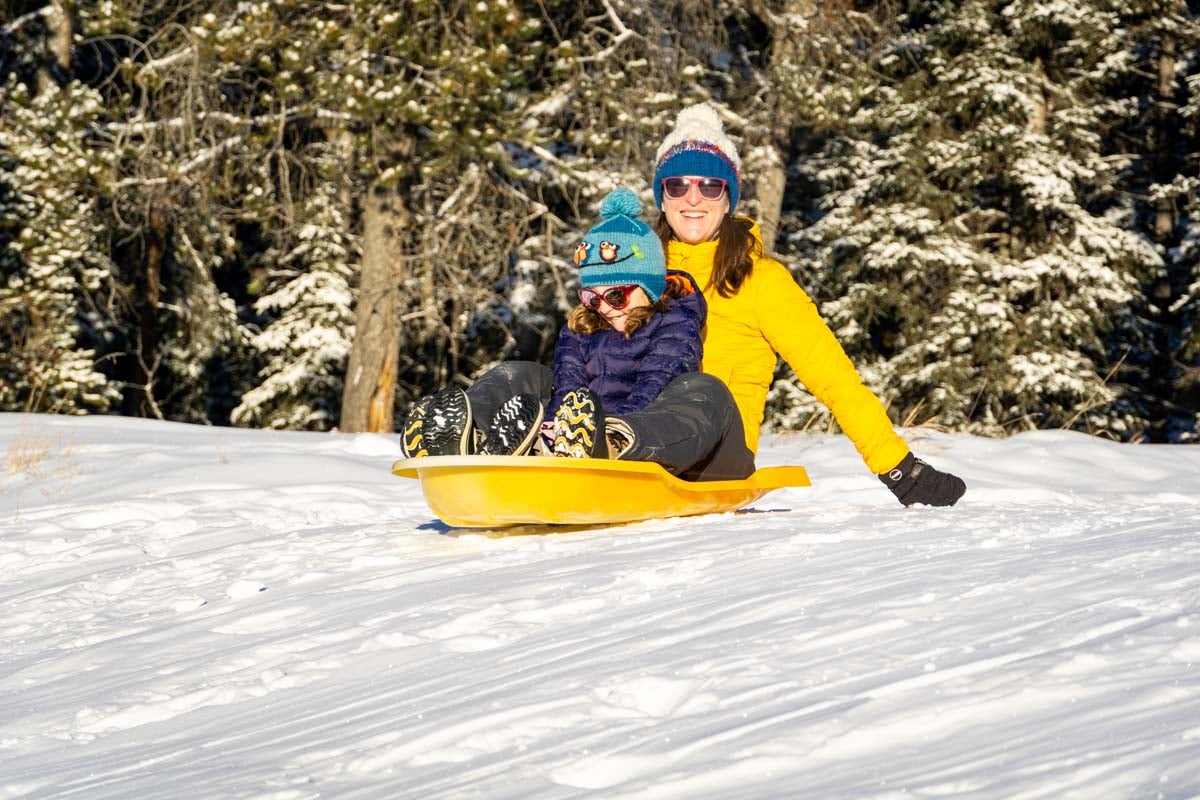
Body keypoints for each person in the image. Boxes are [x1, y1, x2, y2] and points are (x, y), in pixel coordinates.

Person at [643, 102, 965, 506]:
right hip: (638, 441)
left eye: (710, 186)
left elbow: (833, 376)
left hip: (714, 458)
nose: (693, 198)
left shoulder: (761, 281)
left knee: (700, 388)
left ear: (728, 200)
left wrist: (898, 467)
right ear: (662, 198)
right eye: (677, 185)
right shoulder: (637, 276)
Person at [404, 187, 708, 462]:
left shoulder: (674, 323)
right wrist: (555, 428)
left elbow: (655, 386)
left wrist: (604, 429)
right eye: (592, 297)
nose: (604, 307)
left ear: (650, 288)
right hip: (576, 437)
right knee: (515, 373)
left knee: (700, 392)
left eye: (616, 295)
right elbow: (568, 385)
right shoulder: (583, 327)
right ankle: (464, 435)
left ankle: (604, 442)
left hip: (635, 440)